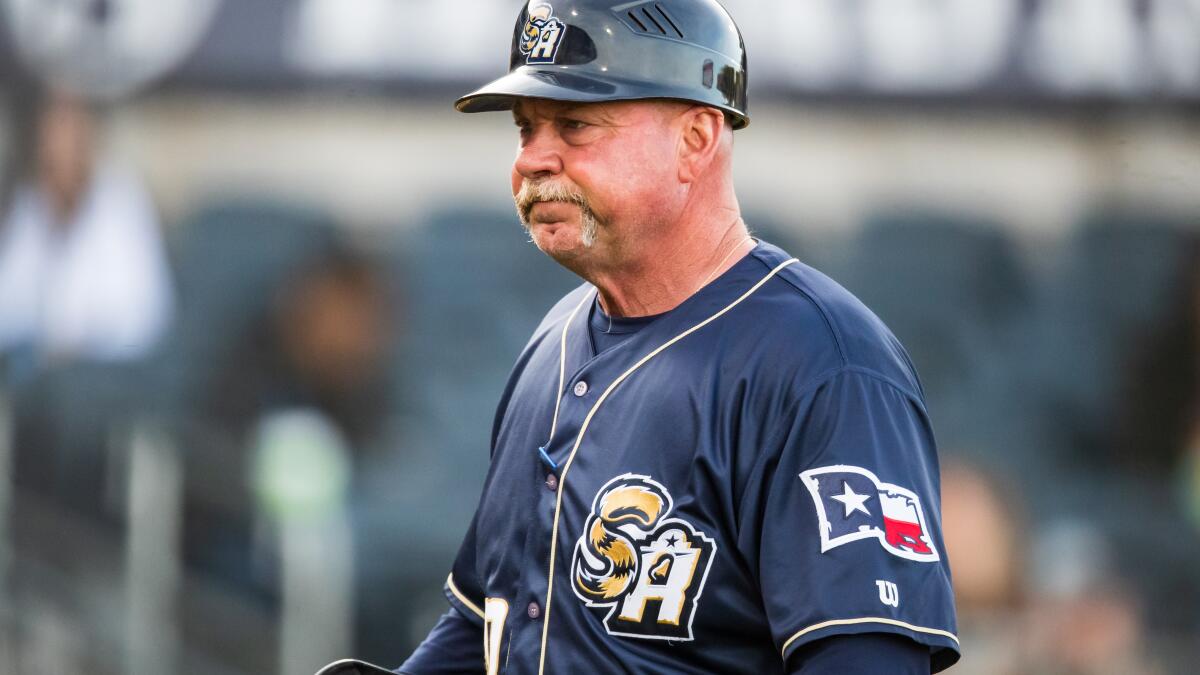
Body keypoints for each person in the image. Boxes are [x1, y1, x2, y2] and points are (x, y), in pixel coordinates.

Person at [392, 1, 958, 673]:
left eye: (575, 124)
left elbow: (864, 658)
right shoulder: (552, 343)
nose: (535, 158)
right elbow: (488, 616)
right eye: (525, 128)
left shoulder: (825, 366)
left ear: (695, 139)